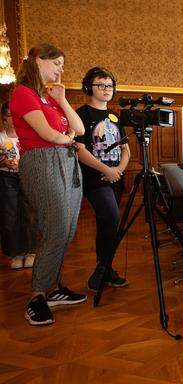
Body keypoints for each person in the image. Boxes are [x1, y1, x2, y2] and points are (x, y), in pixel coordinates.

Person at [10, 43, 87, 326]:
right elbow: (49, 135)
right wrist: (65, 137)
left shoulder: (51, 98)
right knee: (55, 227)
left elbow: (78, 130)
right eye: (57, 63)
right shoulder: (23, 93)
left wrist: (63, 100)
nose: (61, 69)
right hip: (42, 162)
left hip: (66, 161)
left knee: (67, 229)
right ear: (38, 61)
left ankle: (53, 289)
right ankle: (37, 296)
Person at [75, 67, 130, 291]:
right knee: (111, 217)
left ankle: (105, 268)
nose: (107, 89)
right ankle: (103, 269)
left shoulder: (115, 116)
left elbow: (126, 148)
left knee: (107, 224)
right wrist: (105, 170)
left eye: (110, 85)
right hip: (95, 179)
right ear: (89, 87)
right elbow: (78, 149)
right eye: (101, 85)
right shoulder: (82, 114)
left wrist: (118, 170)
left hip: (116, 177)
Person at [0, 101, 36, 269]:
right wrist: (3, 162)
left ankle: (30, 251)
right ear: (4, 119)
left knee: (29, 214)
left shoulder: (27, 136)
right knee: (10, 215)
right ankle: (15, 253)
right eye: (9, 115)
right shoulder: (1, 137)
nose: (14, 119)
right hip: (7, 178)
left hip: (27, 177)